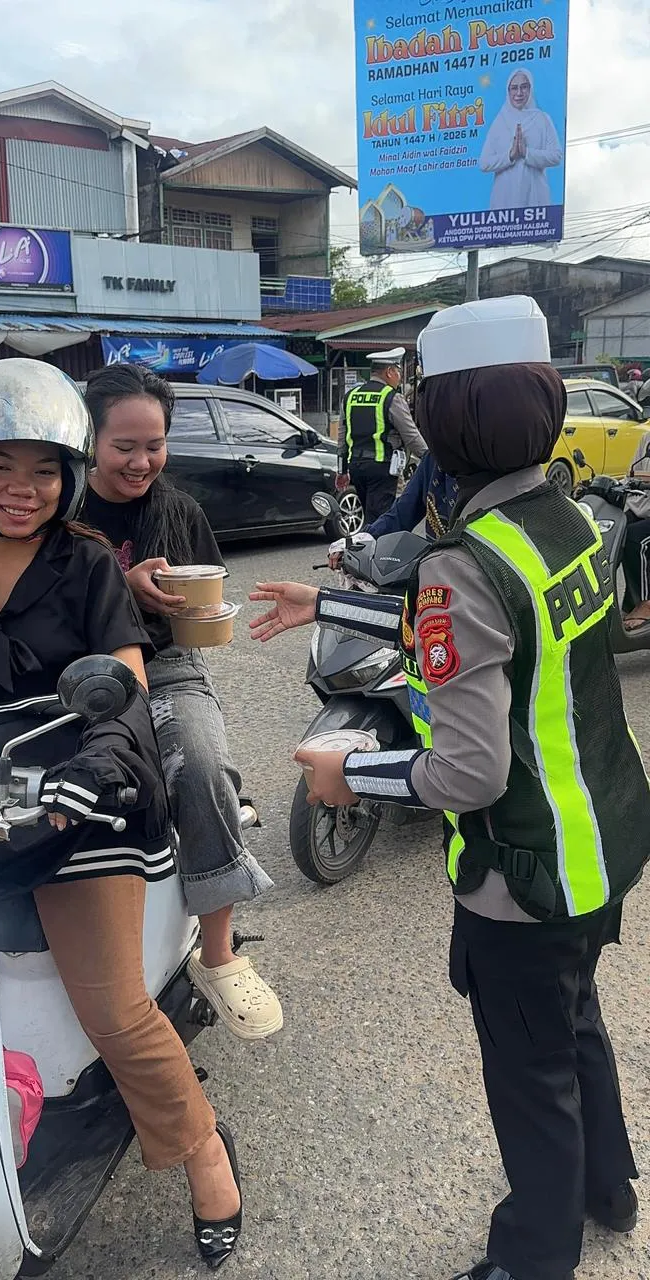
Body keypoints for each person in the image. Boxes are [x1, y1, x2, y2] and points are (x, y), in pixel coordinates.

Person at [250, 296, 650, 1280]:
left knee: (530, 1075)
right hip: (602, 838)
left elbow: (468, 768)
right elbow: (487, 637)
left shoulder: (463, 563)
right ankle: (610, 1188)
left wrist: (351, 769)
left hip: (525, 869)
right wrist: (327, 601)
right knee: (576, 1021)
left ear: (444, 421)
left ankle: (533, 1256)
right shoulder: (564, 516)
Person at [0, 359, 243, 1271]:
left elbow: (126, 686)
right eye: (0, 466)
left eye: (42, 470)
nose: (20, 489)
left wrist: (100, 762)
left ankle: (204, 1150)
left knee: (113, 1008)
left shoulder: (89, 566)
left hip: (79, 801)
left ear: (68, 478)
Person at [81, 363, 282, 1040]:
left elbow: (205, 598)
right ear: (89, 440)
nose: (141, 462)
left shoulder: (180, 512)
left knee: (200, 765)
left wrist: (202, 613)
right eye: (124, 446)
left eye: (155, 445)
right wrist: (118, 582)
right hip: (78, 670)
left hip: (167, 666)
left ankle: (217, 954)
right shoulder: (60, 509)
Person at [338, 347, 427, 526]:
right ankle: (376, 543)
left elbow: (342, 438)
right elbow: (411, 436)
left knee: (369, 515)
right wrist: (430, 457)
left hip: (356, 468)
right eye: (398, 372)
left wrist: (342, 471)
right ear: (389, 372)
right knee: (383, 519)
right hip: (383, 469)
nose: (400, 377)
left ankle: (367, 541)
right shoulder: (391, 397)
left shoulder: (350, 396)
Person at [479, 70, 562, 210]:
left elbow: (556, 156)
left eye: (524, 87)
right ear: (508, 91)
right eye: (514, 88)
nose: (519, 93)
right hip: (504, 204)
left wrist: (526, 153)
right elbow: (484, 163)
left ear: (530, 89)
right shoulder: (500, 122)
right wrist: (510, 156)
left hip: (535, 201)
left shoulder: (542, 119)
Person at [368, 449, 459, 541]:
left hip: (464, 546)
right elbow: (404, 510)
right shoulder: (433, 458)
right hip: (440, 547)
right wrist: (369, 536)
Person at [621, 427, 650, 626]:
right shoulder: (646, 438)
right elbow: (632, 473)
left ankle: (645, 603)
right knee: (616, 531)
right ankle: (630, 600)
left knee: (635, 539)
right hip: (642, 508)